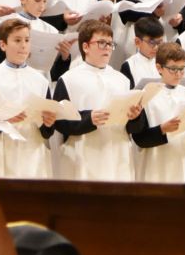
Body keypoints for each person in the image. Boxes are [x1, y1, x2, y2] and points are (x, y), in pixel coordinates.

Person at [51, 18, 144, 181]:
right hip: (84, 154)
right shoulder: (68, 79)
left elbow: (132, 127)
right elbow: (59, 122)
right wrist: (89, 119)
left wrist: (136, 117)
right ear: (85, 46)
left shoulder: (122, 80)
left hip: (118, 154)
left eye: (110, 44)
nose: (107, 48)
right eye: (101, 43)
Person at [0, 18, 56, 180]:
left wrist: (49, 122)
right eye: (17, 40)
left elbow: (48, 132)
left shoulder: (40, 80)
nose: (23, 45)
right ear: (3, 45)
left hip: (32, 151)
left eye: (27, 40)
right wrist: (4, 119)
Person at [131, 41, 185, 182]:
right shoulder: (146, 95)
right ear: (159, 68)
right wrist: (162, 129)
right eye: (173, 69)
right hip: (158, 166)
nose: (179, 74)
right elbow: (140, 139)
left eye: (182, 69)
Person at [119, 16, 165, 87]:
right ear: (137, 42)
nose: (156, 47)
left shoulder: (164, 62)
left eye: (159, 42)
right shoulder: (129, 66)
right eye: (152, 42)